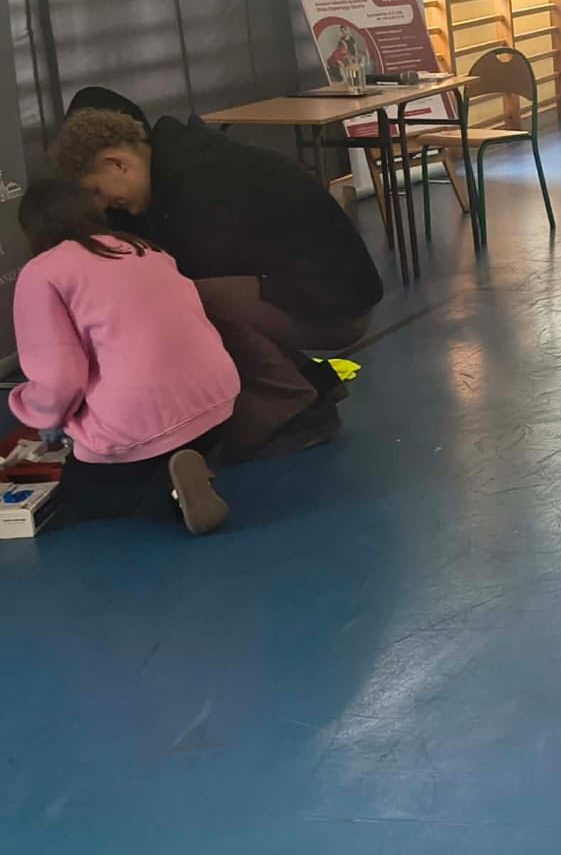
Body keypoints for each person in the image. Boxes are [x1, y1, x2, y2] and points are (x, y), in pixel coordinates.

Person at [52, 90, 383, 460]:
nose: (101, 205)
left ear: (117, 163)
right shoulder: (179, 162)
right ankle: (308, 385)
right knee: (187, 299)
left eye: (97, 191)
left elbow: (187, 292)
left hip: (339, 309)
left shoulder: (197, 184)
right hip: (324, 293)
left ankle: (296, 414)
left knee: (182, 302)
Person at [8, 180, 236, 535]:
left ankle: (168, 492)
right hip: (216, 402)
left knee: (80, 498)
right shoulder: (144, 248)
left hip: (137, 420)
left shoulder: (42, 273)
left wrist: (40, 413)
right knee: (161, 443)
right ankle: (186, 471)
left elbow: (60, 377)